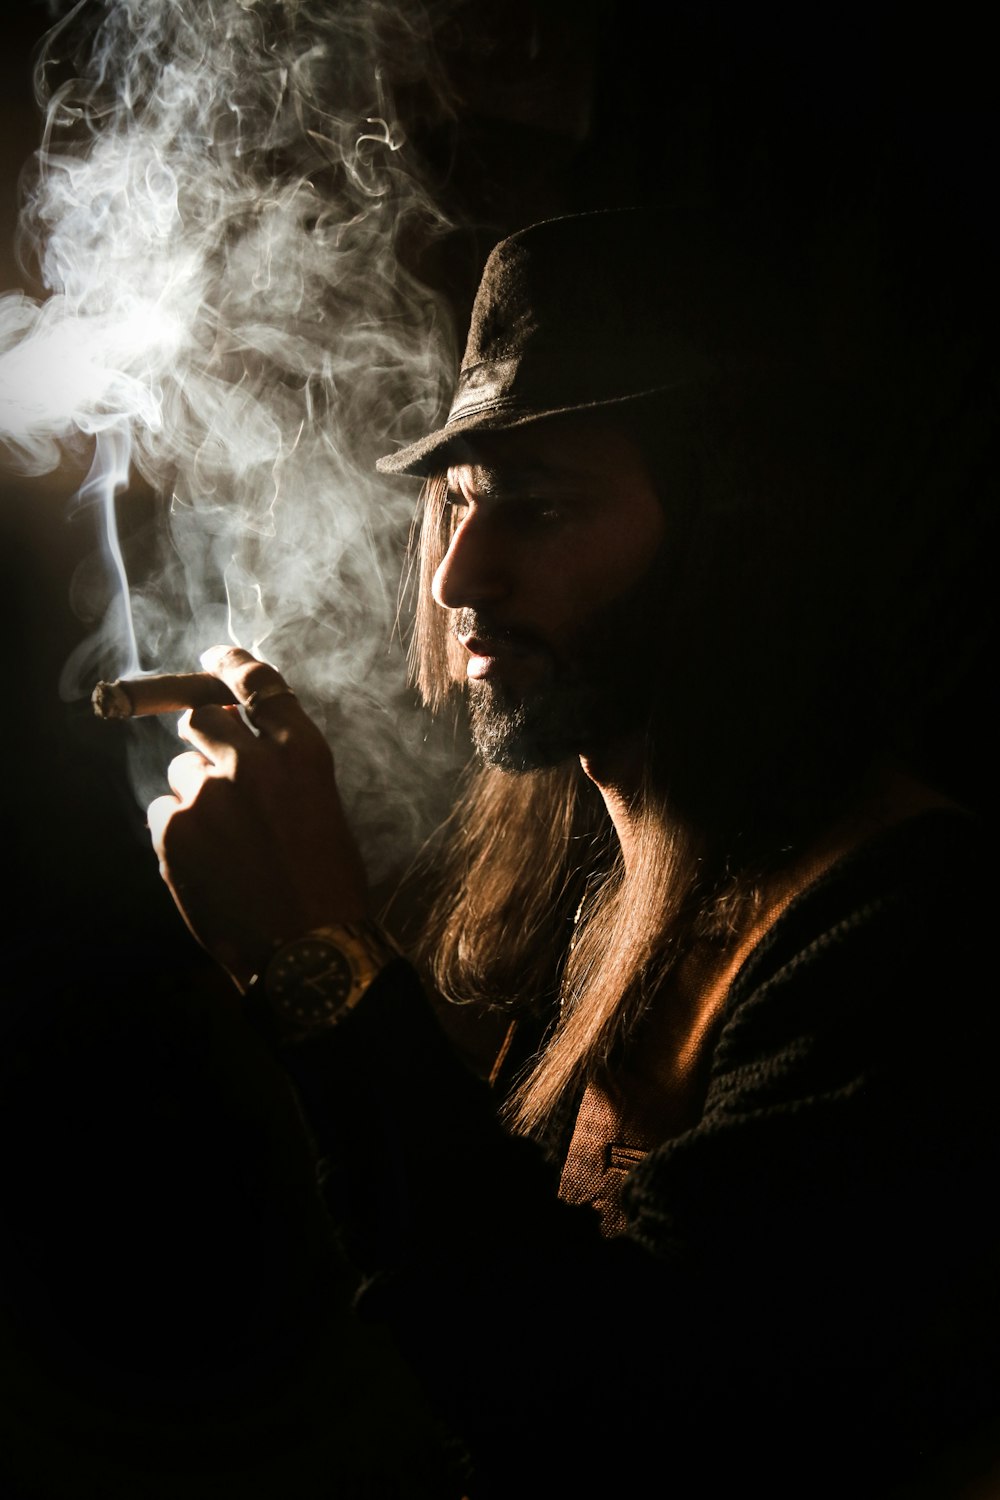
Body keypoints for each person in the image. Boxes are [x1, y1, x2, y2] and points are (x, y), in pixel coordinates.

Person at [144, 205, 998, 1498]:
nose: (457, 578)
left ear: (738, 534)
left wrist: (320, 962)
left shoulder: (914, 931)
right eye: (460, 500)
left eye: (540, 507)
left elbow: (610, 1421)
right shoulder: (572, 865)